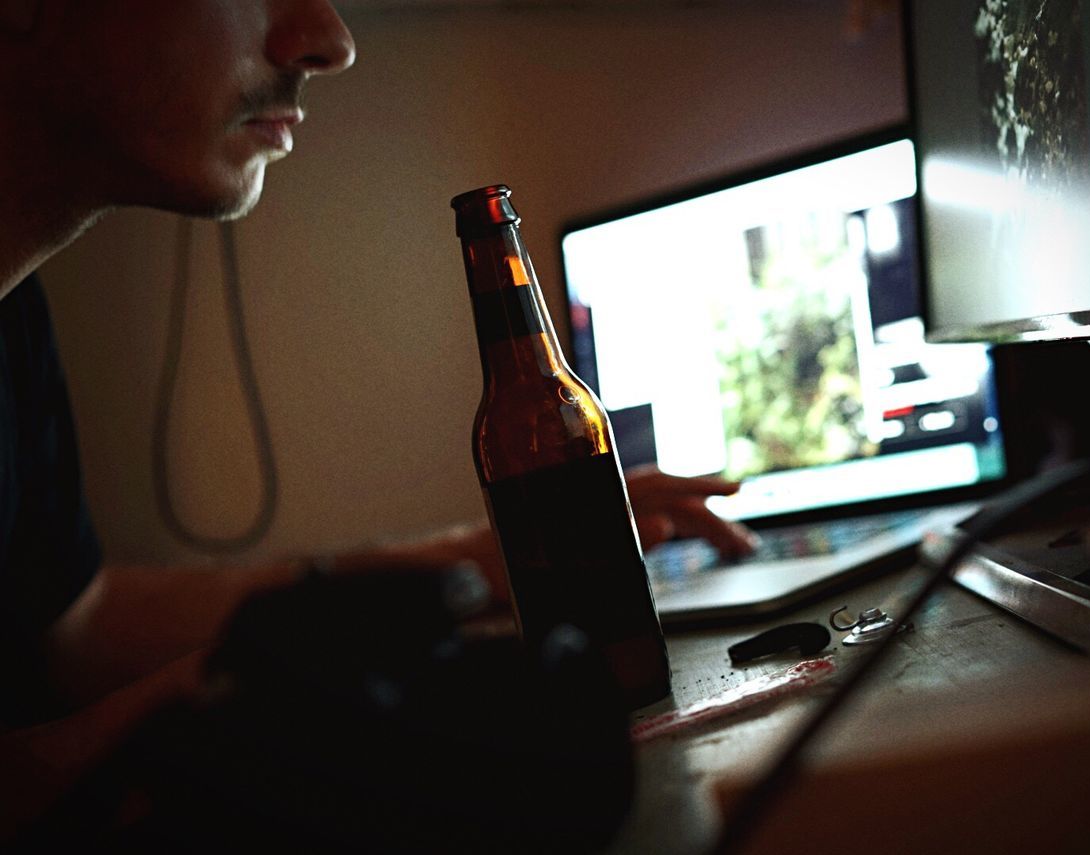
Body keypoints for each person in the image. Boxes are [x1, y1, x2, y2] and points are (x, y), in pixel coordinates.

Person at [0, 0, 756, 837]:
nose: (332, 42)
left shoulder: (16, 316)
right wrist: (249, 703)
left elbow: (76, 625)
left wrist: (472, 562)